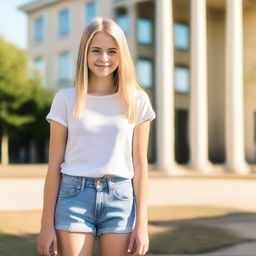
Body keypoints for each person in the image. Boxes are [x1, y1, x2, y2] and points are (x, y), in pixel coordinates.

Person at [37, 16, 156, 256]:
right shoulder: (65, 99)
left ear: (121, 55)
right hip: (73, 197)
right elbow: (53, 165)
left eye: (112, 51)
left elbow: (140, 165)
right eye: (96, 51)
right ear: (85, 53)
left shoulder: (137, 100)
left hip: (120, 198)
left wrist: (142, 224)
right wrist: (45, 225)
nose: (104, 58)